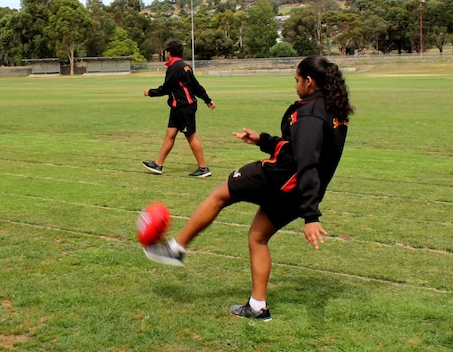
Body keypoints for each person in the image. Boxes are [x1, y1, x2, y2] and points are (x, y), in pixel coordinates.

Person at [143, 55, 353, 320]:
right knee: (257, 237)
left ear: (309, 82)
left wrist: (311, 217)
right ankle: (257, 306)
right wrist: (262, 140)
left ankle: (176, 249)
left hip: (279, 177)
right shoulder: (332, 109)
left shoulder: (310, 113)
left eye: (297, 80)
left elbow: (307, 162)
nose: (295, 85)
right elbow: (298, 148)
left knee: (219, 194)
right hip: (298, 191)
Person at [143, 40, 216, 177]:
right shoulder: (185, 66)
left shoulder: (175, 67)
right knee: (170, 135)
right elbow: (196, 86)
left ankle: (203, 168)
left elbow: (166, 88)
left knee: (191, 136)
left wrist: (150, 92)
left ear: (168, 52)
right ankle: (158, 164)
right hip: (177, 107)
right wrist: (208, 100)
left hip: (184, 107)